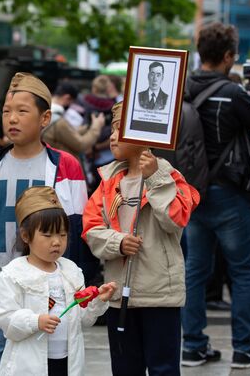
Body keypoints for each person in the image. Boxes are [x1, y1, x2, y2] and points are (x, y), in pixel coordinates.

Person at [0, 72, 98, 375]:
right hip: (5, 285)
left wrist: (75, 283)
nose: (12, 119)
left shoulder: (64, 165)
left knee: (49, 363)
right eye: (7, 112)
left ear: (45, 118)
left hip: (52, 286)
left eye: (22, 111)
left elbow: (77, 229)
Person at [181, 22, 250, 369]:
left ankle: (192, 346)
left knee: (194, 270)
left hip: (192, 192)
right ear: (227, 56)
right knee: (242, 272)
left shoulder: (182, 87)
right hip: (231, 194)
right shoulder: (232, 93)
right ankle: (245, 348)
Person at [82, 101, 199, 375]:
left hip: (160, 295)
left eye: (119, 129)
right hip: (118, 293)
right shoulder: (108, 181)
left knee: (164, 368)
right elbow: (90, 228)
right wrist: (117, 242)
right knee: (124, 368)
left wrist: (156, 178)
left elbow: (175, 219)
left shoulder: (168, 176)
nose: (111, 136)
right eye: (111, 129)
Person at [0, 185, 116, 376]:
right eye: (48, 235)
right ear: (26, 236)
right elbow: (6, 319)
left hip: (68, 364)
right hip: (29, 366)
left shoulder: (71, 270)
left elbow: (83, 320)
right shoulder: (13, 274)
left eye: (62, 234)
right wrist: (36, 321)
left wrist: (98, 300)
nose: (57, 241)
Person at [42, 83, 105, 159]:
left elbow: (64, 136)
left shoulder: (43, 113)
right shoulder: (57, 121)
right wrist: (96, 126)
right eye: (71, 102)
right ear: (67, 98)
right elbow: (80, 144)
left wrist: (85, 128)